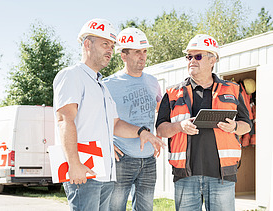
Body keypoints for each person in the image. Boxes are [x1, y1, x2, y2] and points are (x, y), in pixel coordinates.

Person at [53, 19, 165, 211]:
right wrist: (74, 163)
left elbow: (116, 124)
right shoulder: (72, 75)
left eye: (112, 46)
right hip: (84, 169)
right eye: (105, 44)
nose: (110, 50)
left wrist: (142, 132)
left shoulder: (100, 85)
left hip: (105, 172)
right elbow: (65, 120)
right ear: (87, 44)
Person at [155, 34, 252, 211]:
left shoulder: (233, 90)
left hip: (222, 177)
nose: (192, 60)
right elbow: (161, 130)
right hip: (185, 177)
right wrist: (179, 126)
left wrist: (235, 127)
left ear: (212, 59)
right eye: (189, 57)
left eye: (197, 56)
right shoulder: (172, 93)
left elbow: (247, 124)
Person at [104, 28, 162, 211]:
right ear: (123, 55)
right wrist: (104, 142)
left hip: (148, 159)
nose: (142, 56)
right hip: (122, 158)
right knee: (114, 208)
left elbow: (161, 113)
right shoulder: (107, 84)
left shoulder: (153, 82)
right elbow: (94, 118)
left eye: (144, 51)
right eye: (137, 52)